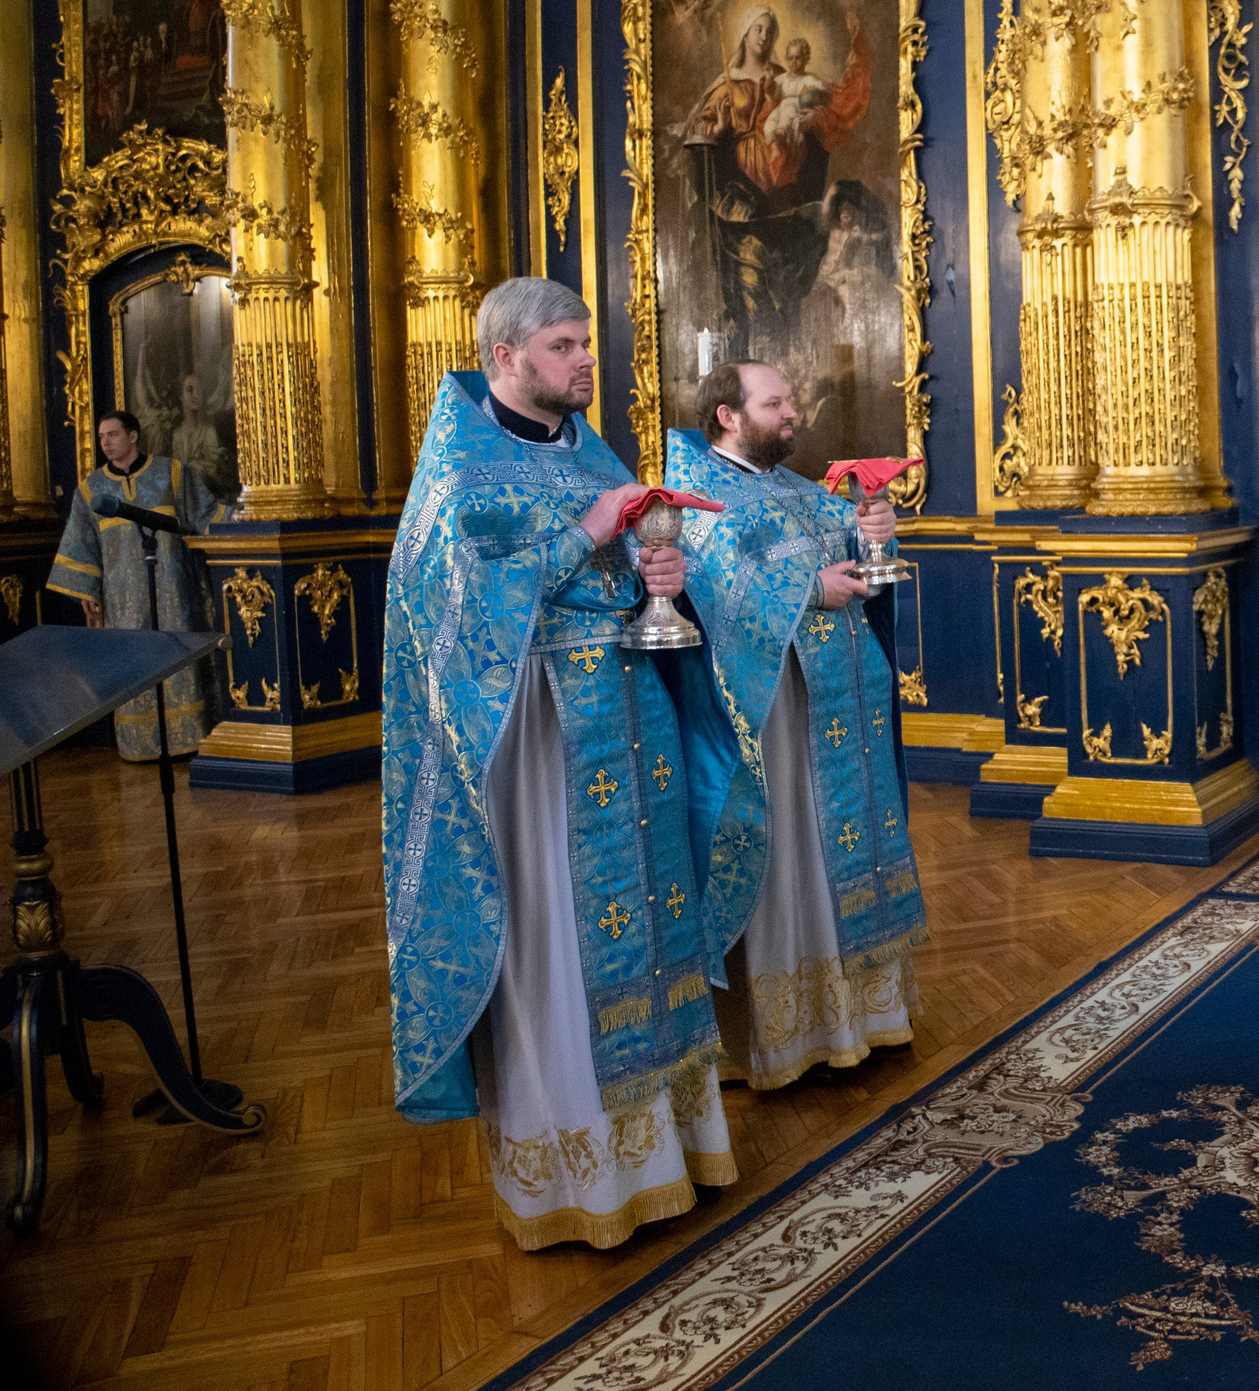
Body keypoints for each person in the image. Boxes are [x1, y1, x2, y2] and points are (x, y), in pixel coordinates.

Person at [381, 277, 735, 1251]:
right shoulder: (458, 466)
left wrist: (661, 575)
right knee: (558, 949)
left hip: (628, 727)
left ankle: (664, 1156)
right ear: (505, 358)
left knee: (645, 931)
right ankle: (571, 1176)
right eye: (563, 346)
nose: (586, 359)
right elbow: (441, 610)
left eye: (586, 342)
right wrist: (588, 534)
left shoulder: (589, 447)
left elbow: (627, 563)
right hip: (531, 743)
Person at [664, 360, 926, 1091]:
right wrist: (810, 587)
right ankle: (785, 1035)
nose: (792, 412)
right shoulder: (694, 495)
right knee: (786, 859)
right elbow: (712, 581)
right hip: (768, 714)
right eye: (774, 401)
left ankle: (861, 1016)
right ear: (727, 413)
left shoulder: (793, 487)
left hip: (838, 708)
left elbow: (858, 561)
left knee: (834, 848)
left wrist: (874, 536)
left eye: (790, 399)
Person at [46, 409, 224, 759]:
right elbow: (81, 543)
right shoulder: (91, 489)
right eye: (101, 437)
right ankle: (142, 745)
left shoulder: (170, 473)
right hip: (122, 599)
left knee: (178, 654)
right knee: (133, 662)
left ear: (132, 436)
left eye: (112, 435)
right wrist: (88, 591)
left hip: (174, 591)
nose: (106, 443)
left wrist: (251, 521)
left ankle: (186, 740)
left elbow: (205, 514)